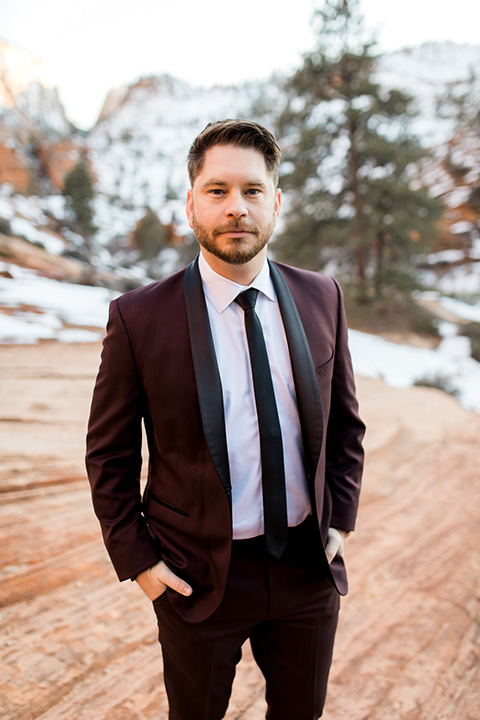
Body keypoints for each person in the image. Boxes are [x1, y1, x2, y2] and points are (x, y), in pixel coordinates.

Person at [86, 118, 365, 719]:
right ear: (191, 205)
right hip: (196, 578)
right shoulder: (138, 318)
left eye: (252, 191)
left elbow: (346, 424)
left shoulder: (323, 297)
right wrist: (141, 564)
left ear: (276, 203)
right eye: (217, 191)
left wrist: (339, 521)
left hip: (306, 570)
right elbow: (108, 456)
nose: (235, 207)